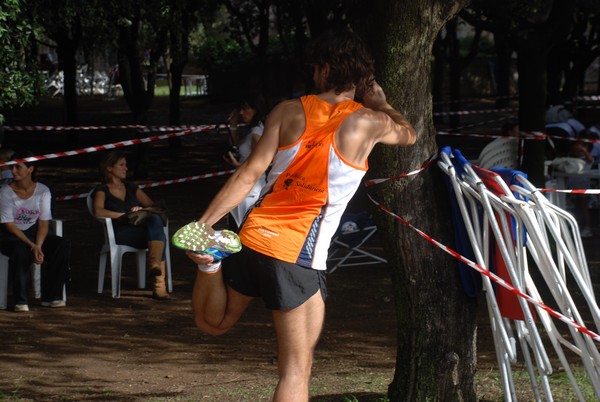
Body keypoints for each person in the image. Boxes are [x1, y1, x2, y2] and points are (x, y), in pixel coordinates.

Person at [183, 30, 416, 401]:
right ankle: (210, 263)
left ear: (324, 70)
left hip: (252, 236)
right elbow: (409, 134)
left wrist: (204, 223)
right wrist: (383, 103)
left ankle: (209, 265)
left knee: (215, 322)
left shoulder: (286, 111)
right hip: (297, 254)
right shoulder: (368, 122)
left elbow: (248, 175)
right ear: (360, 77)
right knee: (296, 370)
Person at [92, 151, 170, 299]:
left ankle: (155, 266)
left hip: (142, 231)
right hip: (120, 233)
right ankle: (159, 286)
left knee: (155, 221)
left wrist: (142, 210)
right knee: (160, 238)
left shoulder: (132, 187)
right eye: (121, 165)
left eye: (126, 165)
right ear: (109, 168)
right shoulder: (102, 190)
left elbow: (154, 207)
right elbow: (98, 211)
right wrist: (124, 216)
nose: (126, 168)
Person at [0, 150, 70, 311]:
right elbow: (9, 225)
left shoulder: (43, 191)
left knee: (62, 245)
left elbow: (44, 222)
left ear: (31, 169)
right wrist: (31, 245)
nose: (14, 171)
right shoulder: (5, 192)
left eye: (18, 167)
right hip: (11, 236)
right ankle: (21, 300)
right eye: (12, 168)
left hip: (35, 234)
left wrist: (38, 245)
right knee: (20, 250)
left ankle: (52, 296)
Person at [223, 93, 269, 230]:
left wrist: (237, 165)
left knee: (240, 231)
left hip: (250, 191)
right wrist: (233, 125)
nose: (242, 112)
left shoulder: (256, 132)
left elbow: (260, 163)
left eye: (245, 109)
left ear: (256, 109)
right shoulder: (255, 130)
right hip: (246, 188)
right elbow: (236, 144)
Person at [567, 130, 595, 238]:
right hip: (573, 184)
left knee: (584, 207)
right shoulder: (572, 158)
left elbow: (590, 159)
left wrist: (583, 150)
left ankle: (587, 228)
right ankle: (576, 227)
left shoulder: (587, 158)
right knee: (575, 207)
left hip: (583, 185)